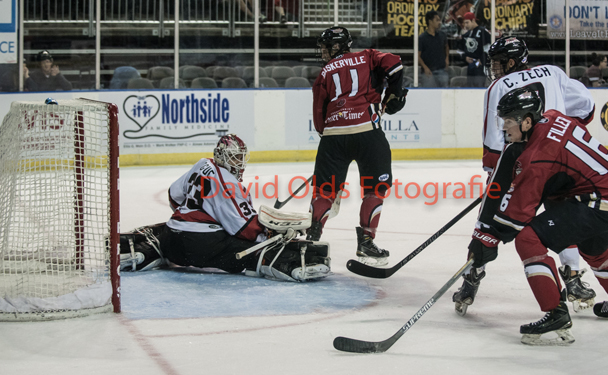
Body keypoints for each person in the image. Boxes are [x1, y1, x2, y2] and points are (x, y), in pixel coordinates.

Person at [469, 87, 608, 345]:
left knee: (527, 239)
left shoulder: (537, 158)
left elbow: (518, 215)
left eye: (508, 121)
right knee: (593, 247)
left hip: (602, 200)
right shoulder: (552, 115)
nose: (504, 128)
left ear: (527, 121)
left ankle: (555, 314)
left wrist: (489, 239)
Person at [453, 36, 598, 316]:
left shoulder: (498, 86)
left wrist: (494, 180)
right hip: (558, 165)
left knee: (488, 222)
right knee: (560, 219)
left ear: (510, 62)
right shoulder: (554, 73)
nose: (493, 68)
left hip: (520, 167)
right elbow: (586, 107)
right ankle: (574, 279)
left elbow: (494, 141)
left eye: (496, 63)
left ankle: (472, 277)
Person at [118, 134, 331, 282]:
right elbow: (245, 229)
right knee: (250, 252)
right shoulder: (229, 183)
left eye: (240, 158)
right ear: (222, 156)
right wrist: (272, 234)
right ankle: (291, 263)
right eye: (234, 158)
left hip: (173, 242)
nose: (239, 163)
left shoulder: (202, 163)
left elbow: (174, 196)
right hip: (201, 248)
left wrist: (201, 213)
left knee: (164, 230)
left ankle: (145, 250)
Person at [307, 26, 408, 266]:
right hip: (367, 133)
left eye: (325, 47)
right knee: (376, 189)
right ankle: (366, 242)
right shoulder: (368, 56)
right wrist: (395, 95)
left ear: (336, 47)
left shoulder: (323, 73)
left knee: (324, 192)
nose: (322, 52)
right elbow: (395, 64)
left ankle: (311, 239)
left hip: (333, 136)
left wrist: (331, 138)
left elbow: (319, 118)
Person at [457, 11, 490, 87]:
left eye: (467, 22)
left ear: (473, 20)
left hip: (479, 65)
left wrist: (481, 60)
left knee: (479, 86)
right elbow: (460, 49)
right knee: (470, 87)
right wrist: (465, 57)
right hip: (470, 65)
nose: (465, 25)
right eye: (464, 23)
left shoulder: (482, 31)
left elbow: (487, 48)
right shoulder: (467, 34)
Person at [418, 11, 449, 88]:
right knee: (428, 95)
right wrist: (425, 68)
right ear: (430, 21)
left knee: (445, 94)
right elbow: (417, 56)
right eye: (437, 20)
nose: (439, 22)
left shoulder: (442, 35)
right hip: (428, 72)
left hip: (441, 70)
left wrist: (447, 58)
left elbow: (446, 46)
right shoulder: (422, 38)